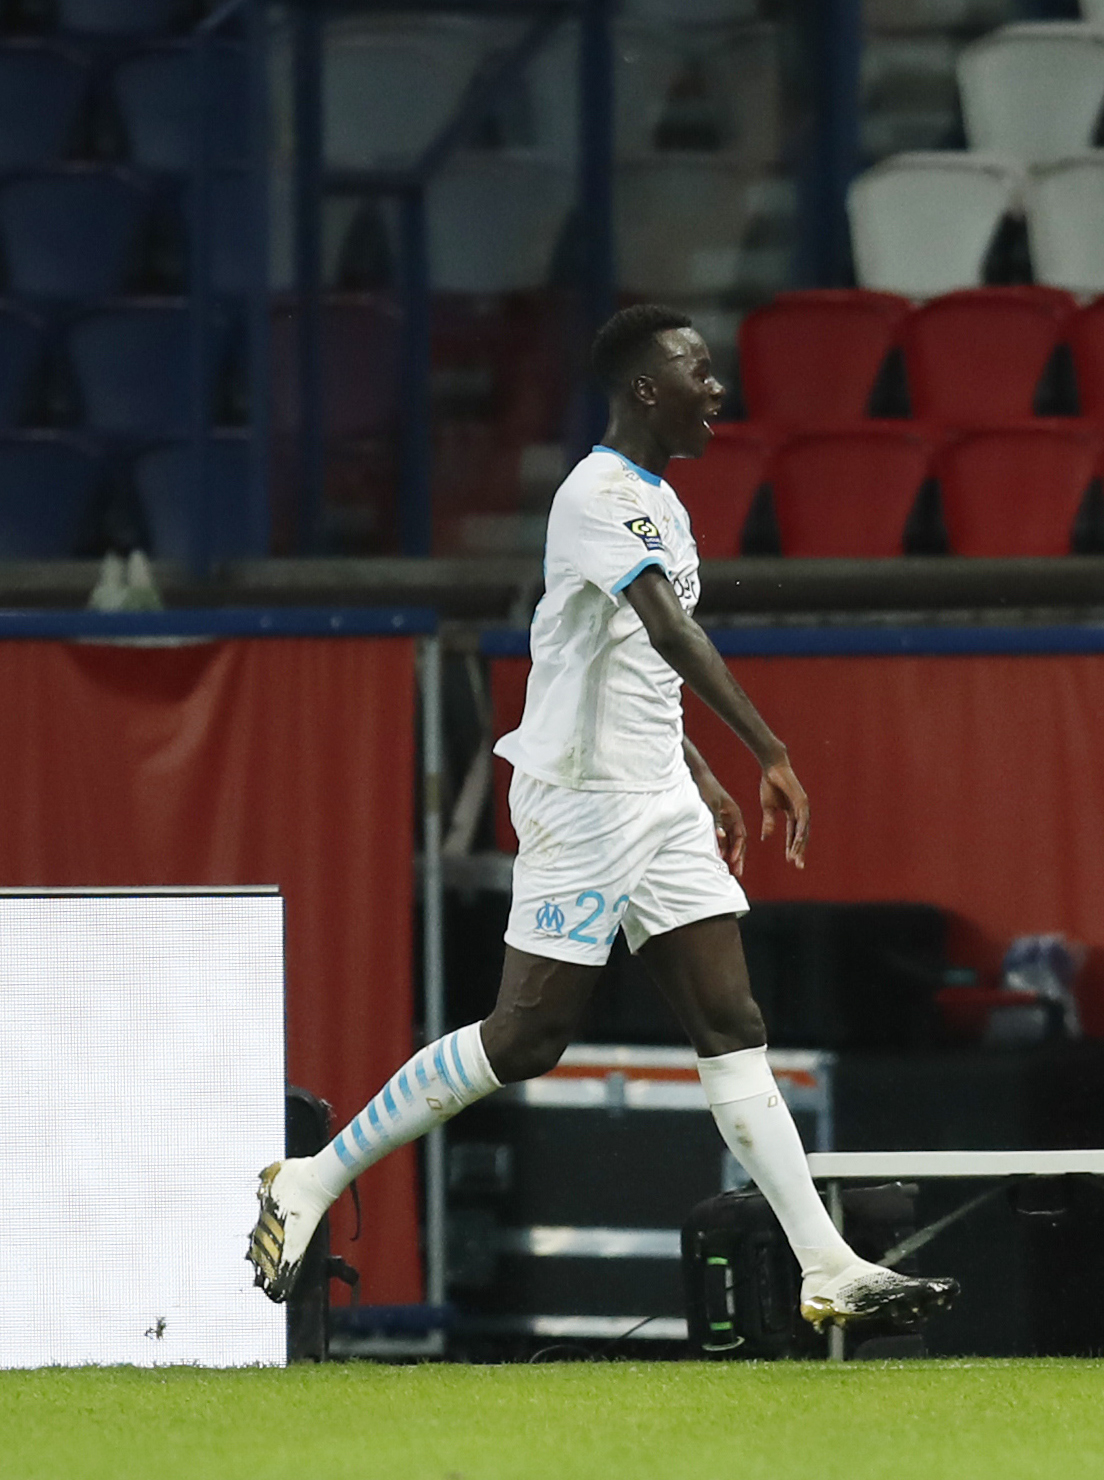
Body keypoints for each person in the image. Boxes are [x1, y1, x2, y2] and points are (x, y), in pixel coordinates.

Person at [247, 305, 956, 1331]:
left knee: (732, 1021)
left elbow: (630, 663)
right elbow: (668, 631)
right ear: (645, 389)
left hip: (655, 795)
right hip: (582, 799)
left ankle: (824, 1264)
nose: (717, 388)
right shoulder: (595, 495)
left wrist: (696, 771)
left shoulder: (661, 500)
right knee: (527, 1036)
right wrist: (768, 751)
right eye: (698, 371)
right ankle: (311, 1178)